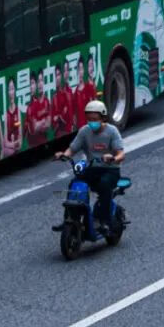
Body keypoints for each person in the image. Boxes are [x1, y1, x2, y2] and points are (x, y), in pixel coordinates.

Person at [55, 100, 125, 233]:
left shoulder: (112, 131)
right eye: (89, 119)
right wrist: (64, 155)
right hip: (93, 168)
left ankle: (103, 220)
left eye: (95, 119)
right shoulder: (84, 131)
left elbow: (121, 154)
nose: (91, 122)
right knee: (75, 183)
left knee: (104, 185)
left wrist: (113, 158)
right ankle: (69, 219)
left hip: (110, 169)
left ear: (103, 118)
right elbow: (72, 149)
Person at [2, 82, 22, 157]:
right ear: (7, 92)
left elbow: (20, 140)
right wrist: (13, 144)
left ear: (15, 91)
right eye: (9, 89)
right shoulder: (6, 115)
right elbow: (5, 142)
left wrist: (16, 143)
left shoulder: (18, 112)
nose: (11, 92)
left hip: (16, 148)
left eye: (12, 89)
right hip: (10, 149)